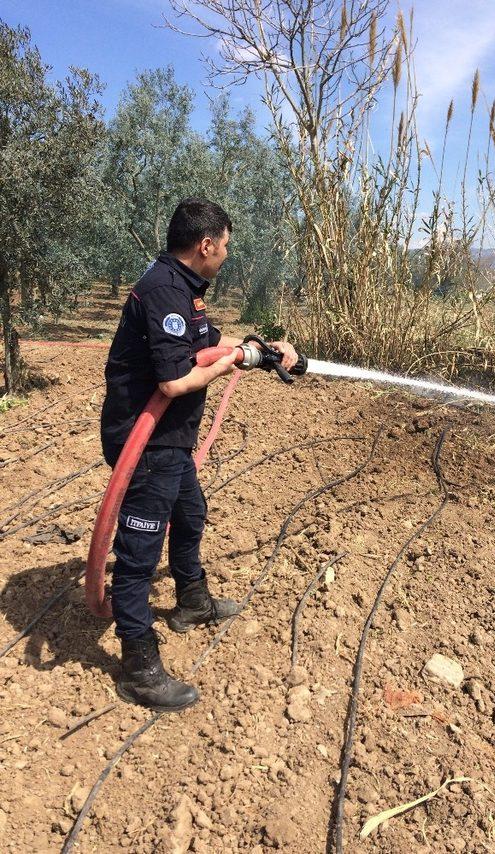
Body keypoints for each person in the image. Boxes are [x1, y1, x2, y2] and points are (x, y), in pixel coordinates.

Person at [100, 198, 297, 712]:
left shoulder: (184, 289)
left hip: (170, 440)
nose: (226, 254)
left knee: (191, 512)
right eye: (225, 245)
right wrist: (233, 359)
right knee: (138, 558)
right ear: (205, 244)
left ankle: (192, 601)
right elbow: (174, 379)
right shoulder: (165, 291)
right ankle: (139, 666)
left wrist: (263, 349)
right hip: (146, 444)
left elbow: (207, 340)